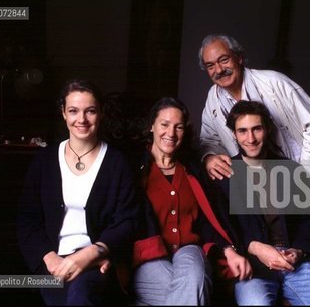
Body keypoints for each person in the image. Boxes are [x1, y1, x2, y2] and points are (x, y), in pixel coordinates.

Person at [17, 79, 139, 306]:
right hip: (53, 262)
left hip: (96, 261)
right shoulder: (44, 161)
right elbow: (27, 220)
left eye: (90, 111)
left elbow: (127, 221)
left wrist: (95, 252)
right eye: (73, 111)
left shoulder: (117, 162)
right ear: (63, 113)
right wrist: (49, 258)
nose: (81, 119)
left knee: (81, 294)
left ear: (101, 113)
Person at [217, 100, 310, 305]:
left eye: (257, 129)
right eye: (242, 131)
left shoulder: (292, 170)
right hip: (253, 265)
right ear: (234, 134)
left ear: (267, 129)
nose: (250, 138)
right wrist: (255, 247)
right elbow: (223, 227)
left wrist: (298, 251)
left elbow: (307, 220)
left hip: (297, 263)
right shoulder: (225, 175)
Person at [131, 97, 251, 305]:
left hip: (189, 249)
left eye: (178, 127)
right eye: (164, 125)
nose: (171, 133)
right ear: (152, 125)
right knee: (193, 289)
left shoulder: (193, 168)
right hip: (148, 258)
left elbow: (208, 219)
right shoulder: (133, 168)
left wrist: (228, 251)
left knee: (194, 275)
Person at [198, 33, 310, 204]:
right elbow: (209, 139)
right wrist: (210, 157)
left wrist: (302, 175)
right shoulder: (213, 98)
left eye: (224, 60)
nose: (218, 70)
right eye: (210, 65)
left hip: (303, 179)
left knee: (303, 229)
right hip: (258, 186)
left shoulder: (274, 82)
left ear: (239, 57)